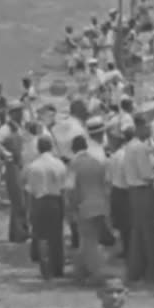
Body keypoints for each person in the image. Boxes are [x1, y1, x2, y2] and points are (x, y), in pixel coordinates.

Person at [68, 120, 111, 282]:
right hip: (100, 204)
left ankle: (95, 272)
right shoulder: (96, 162)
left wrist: (71, 206)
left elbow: (71, 188)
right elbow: (106, 184)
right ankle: (80, 269)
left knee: (88, 240)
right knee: (89, 239)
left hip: (84, 206)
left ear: (73, 148)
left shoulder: (74, 164)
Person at [124, 115, 154, 283]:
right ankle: (151, 270)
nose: (149, 131)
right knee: (148, 232)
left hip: (134, 191)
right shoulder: (139, 148)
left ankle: (136, 270)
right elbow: (146, 174)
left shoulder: (131, 146)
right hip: (142, 191)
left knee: (138, 232)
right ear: (139, 127)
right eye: (147, 127)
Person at [24, 135, 67, 280]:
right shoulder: (59, 164)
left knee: (42, 236)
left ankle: (46, 269)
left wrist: (29, 210)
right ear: (51, 147)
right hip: (56, 201)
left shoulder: (33, 166)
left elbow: (30, 191)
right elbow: (63, 187)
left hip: (40, 202)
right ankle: (58, 268)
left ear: (38, 148)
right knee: (57, 236)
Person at [0, 100, 29, 243]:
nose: (20, 113)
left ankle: (18, 231)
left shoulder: (20, 127)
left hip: (21, 165)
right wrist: (6, 154)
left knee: (22, 198)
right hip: (12, 166)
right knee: (18, 199)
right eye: (17, 111)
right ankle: (19, 233)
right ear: (11, 113)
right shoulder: (6, 129)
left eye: (20, 110)